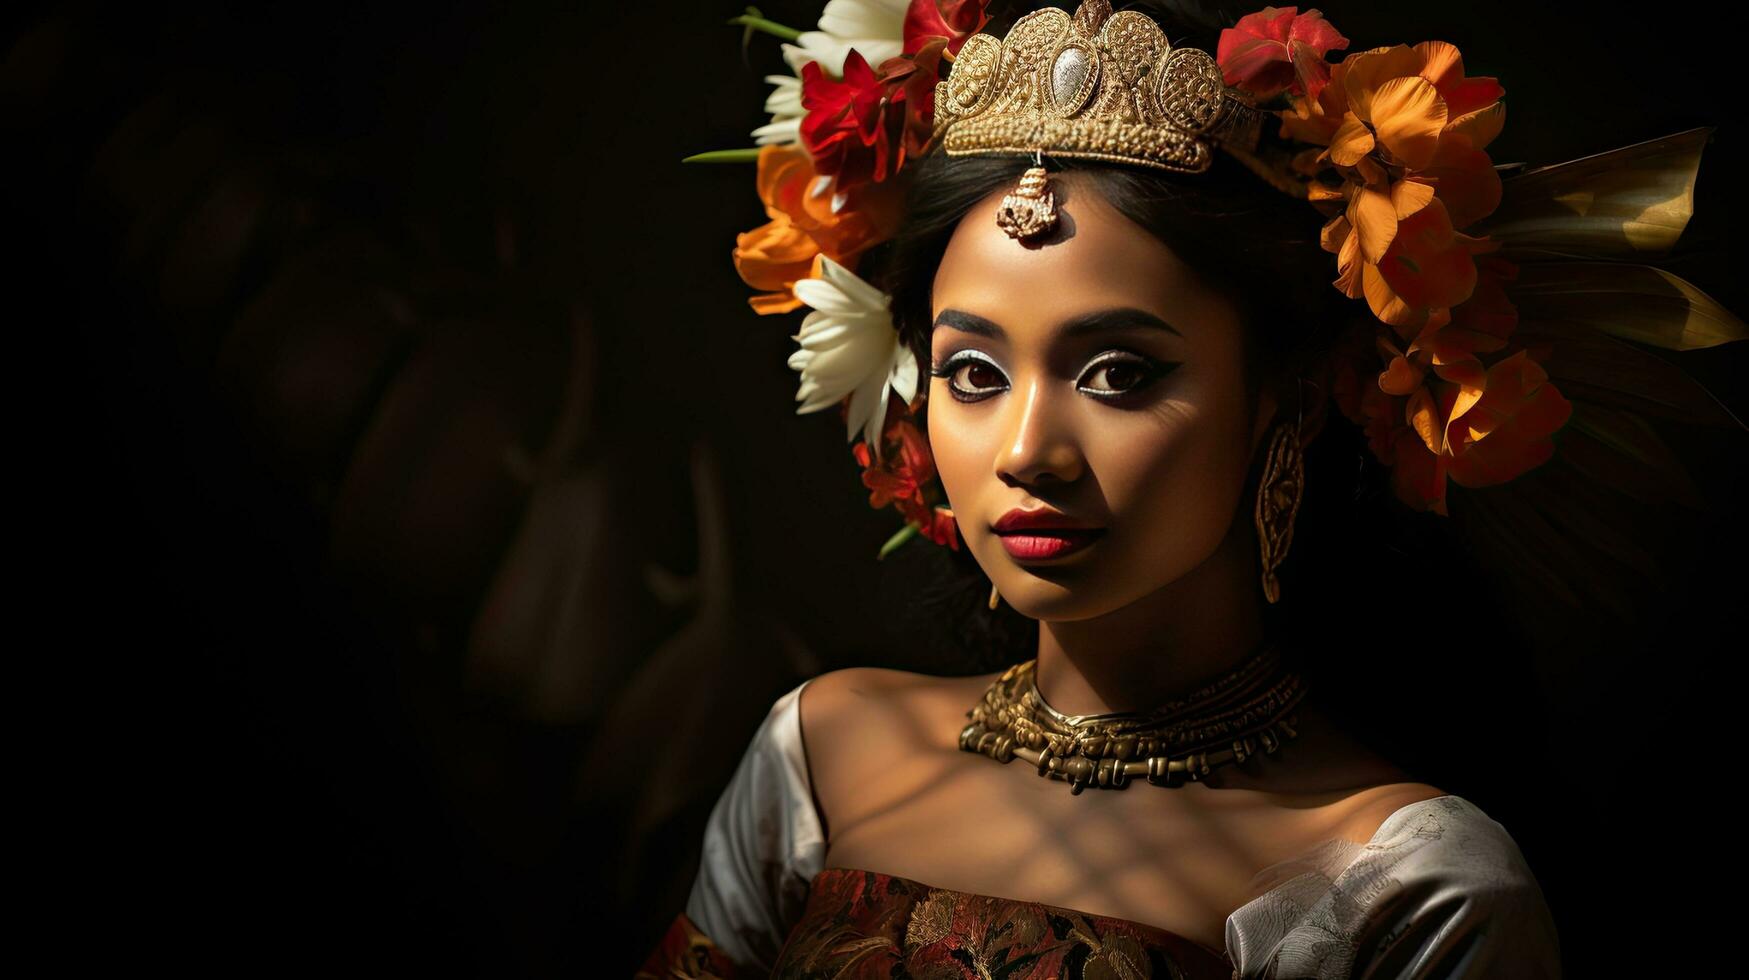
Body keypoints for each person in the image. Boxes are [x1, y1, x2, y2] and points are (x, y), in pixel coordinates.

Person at [643, 1, 1743, 976]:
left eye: (1118, 372)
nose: (1029, 448)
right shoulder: (823, 755)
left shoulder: (1411, 886)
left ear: (1291, 398)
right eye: (972, 373)